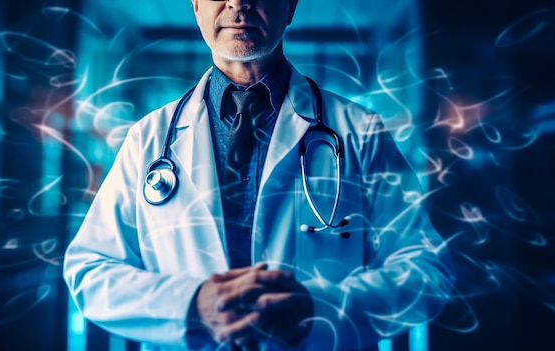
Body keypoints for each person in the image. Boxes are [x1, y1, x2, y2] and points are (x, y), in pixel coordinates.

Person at [63, 0, 456, 350]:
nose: (239, 3)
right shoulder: (148, 138)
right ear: (196, 6)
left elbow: (427, 270)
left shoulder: (359, 131)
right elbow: (90, 271)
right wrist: (190, 305)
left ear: (290, 6)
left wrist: (318, 312)